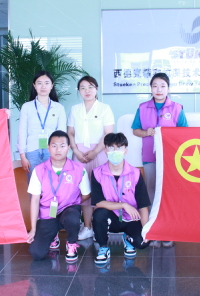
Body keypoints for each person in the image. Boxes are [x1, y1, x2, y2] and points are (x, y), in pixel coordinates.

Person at [131, 72, 187, 248]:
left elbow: (185, 132)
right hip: (150, 156)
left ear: (168, 88)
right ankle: (154, 231)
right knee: (151, 191)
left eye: (162, 86)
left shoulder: (177, 108)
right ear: (151, 88)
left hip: (171, 158)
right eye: (155, 86)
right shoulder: (142, 108)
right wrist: (146, 132)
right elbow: (135, 130)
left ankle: (168, 232)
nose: (159, 89)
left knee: (168, 193)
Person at [27, 131, 90, 264]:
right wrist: (33, 229)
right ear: (48, 147)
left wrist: (73, 202)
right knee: (37, 253)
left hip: (68, 210)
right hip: (48, 213)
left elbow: (86, 194)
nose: (58, 150)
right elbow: (35, 199)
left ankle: (71, 244)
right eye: (54, 146)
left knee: (72, 216)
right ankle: (53, 235)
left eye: (62, 146)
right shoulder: (39, 170)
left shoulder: (79, 169)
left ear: (68, 148)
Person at [90, 133, 151, 267]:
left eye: (119, 148)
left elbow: (143, 205)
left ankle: (128, 239)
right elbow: (98, 202)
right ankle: (103, 248)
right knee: (99, 213)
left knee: (143, 242)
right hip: (111, 218)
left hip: (132, 218)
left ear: (125, 151)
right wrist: (123, 205)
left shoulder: (135, 173)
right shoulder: (97, 173)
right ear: (105, 150)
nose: (115, 151)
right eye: (111, 148)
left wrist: (146, 230)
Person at [67, 76, 115, 241]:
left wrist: (95, 151)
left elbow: (108, 133)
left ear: (97, 89)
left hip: (99, 152)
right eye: (83, 87)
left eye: (90, 87)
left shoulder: (104, 108)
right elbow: (70, 132)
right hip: (79, 153)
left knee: (100, 189)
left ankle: (99, 227)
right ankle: (87, 226)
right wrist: (75, 150)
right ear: (79, 91)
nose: (87, 90)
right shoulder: (75, 109)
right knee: (83, 190)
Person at [18, 71, 67, 176]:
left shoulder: (58, 108)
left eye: (46, 83)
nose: (43, 86)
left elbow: (62, 133)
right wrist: (22, 156)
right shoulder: (27, 107)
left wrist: (61, 153)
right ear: (34, 86)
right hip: (32, 151)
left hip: (52, 152)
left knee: (53, 182)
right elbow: (22, 132)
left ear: (52, 86)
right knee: (34, 183)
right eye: (39, 83)